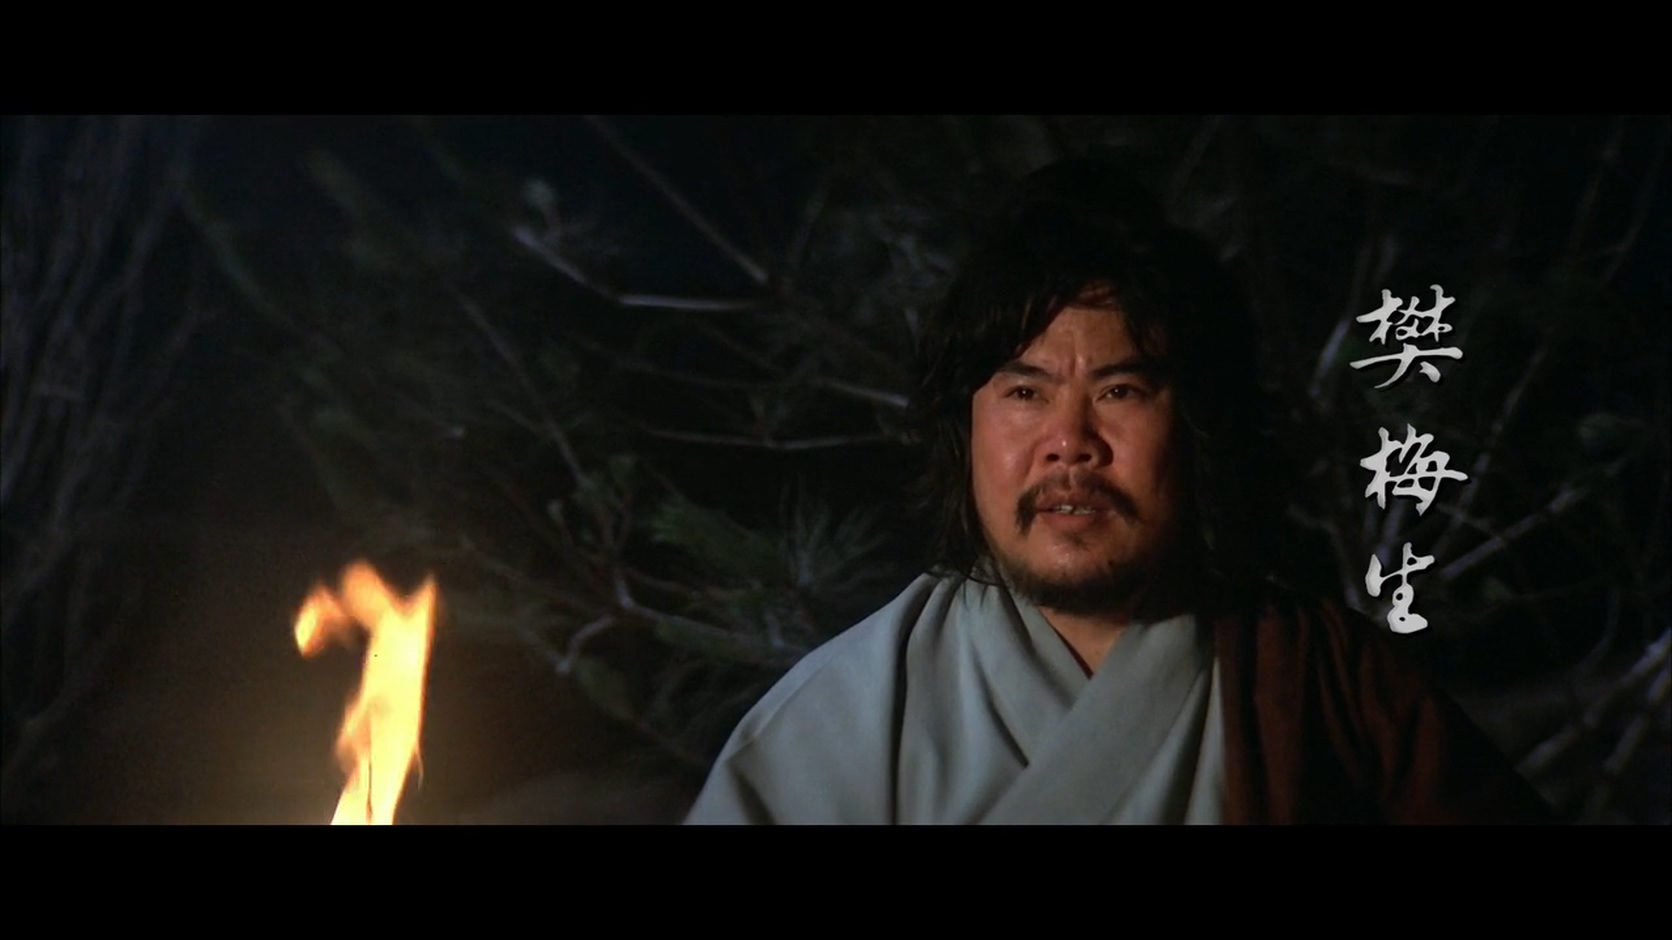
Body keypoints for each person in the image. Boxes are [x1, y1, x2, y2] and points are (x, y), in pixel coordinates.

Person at [683, 158, 1554, 825]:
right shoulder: (840, 723)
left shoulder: (1326, 686)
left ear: (1197, 428)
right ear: (967, 434)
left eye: (1121, 390)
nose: (1071, 441)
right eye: (1026, 393)